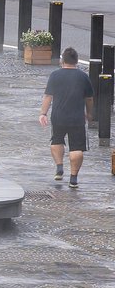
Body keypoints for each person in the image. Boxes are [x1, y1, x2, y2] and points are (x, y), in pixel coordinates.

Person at [40, 46, 96, 187]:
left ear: (62, 60)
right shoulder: (83, 77)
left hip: (58, 116)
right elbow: (89, 99)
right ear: (76, 61)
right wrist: (89, 114)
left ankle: (59, 168)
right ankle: (73, 178)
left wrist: (43, 113)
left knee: (56, 141)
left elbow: (48, 96)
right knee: (76, 148)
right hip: (77, 118)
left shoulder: (55, 75)